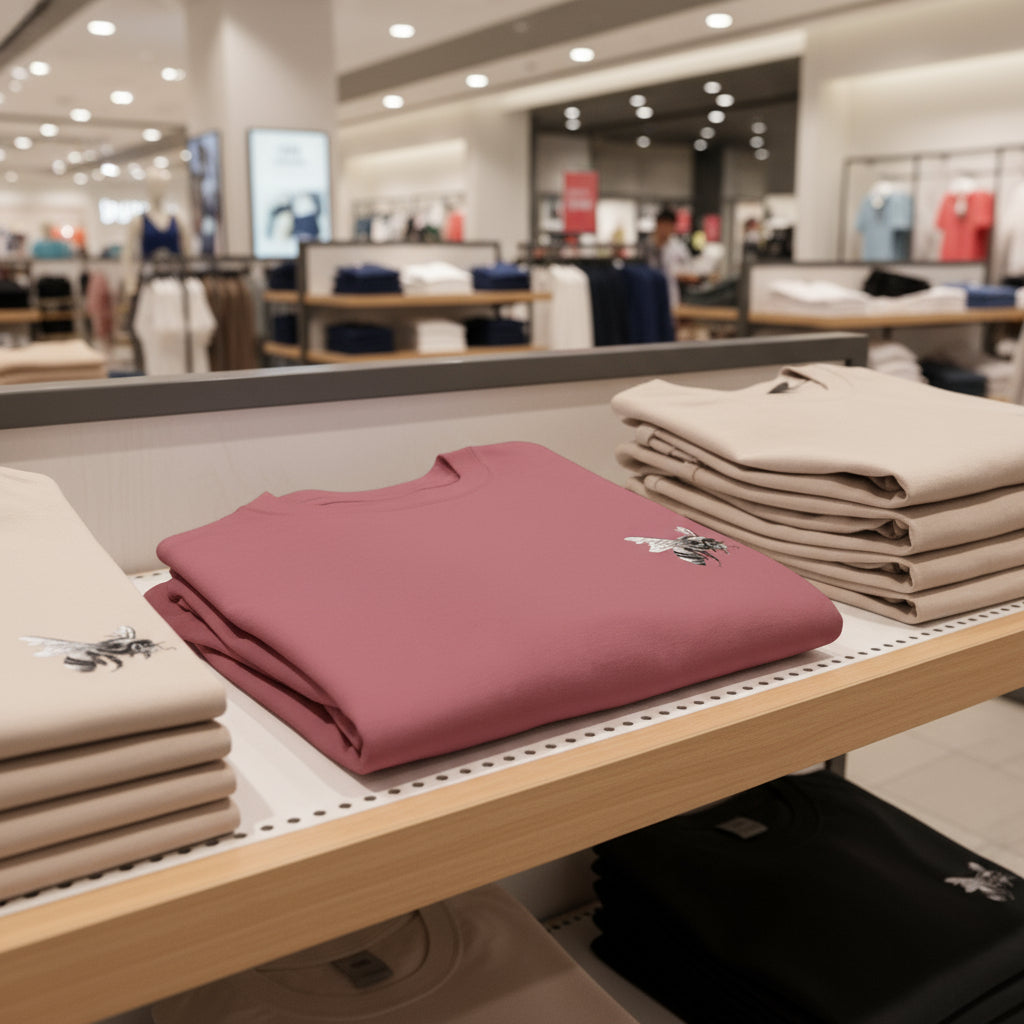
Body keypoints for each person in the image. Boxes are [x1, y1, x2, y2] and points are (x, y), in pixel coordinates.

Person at [642, 207, 701, 308]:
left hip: (670, 295)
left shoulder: (678, 247)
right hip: (648, 292)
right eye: (664, 224)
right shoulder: (646, 246)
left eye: (669, 225)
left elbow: (689, 268)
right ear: (658, 224)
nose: (666, 229)